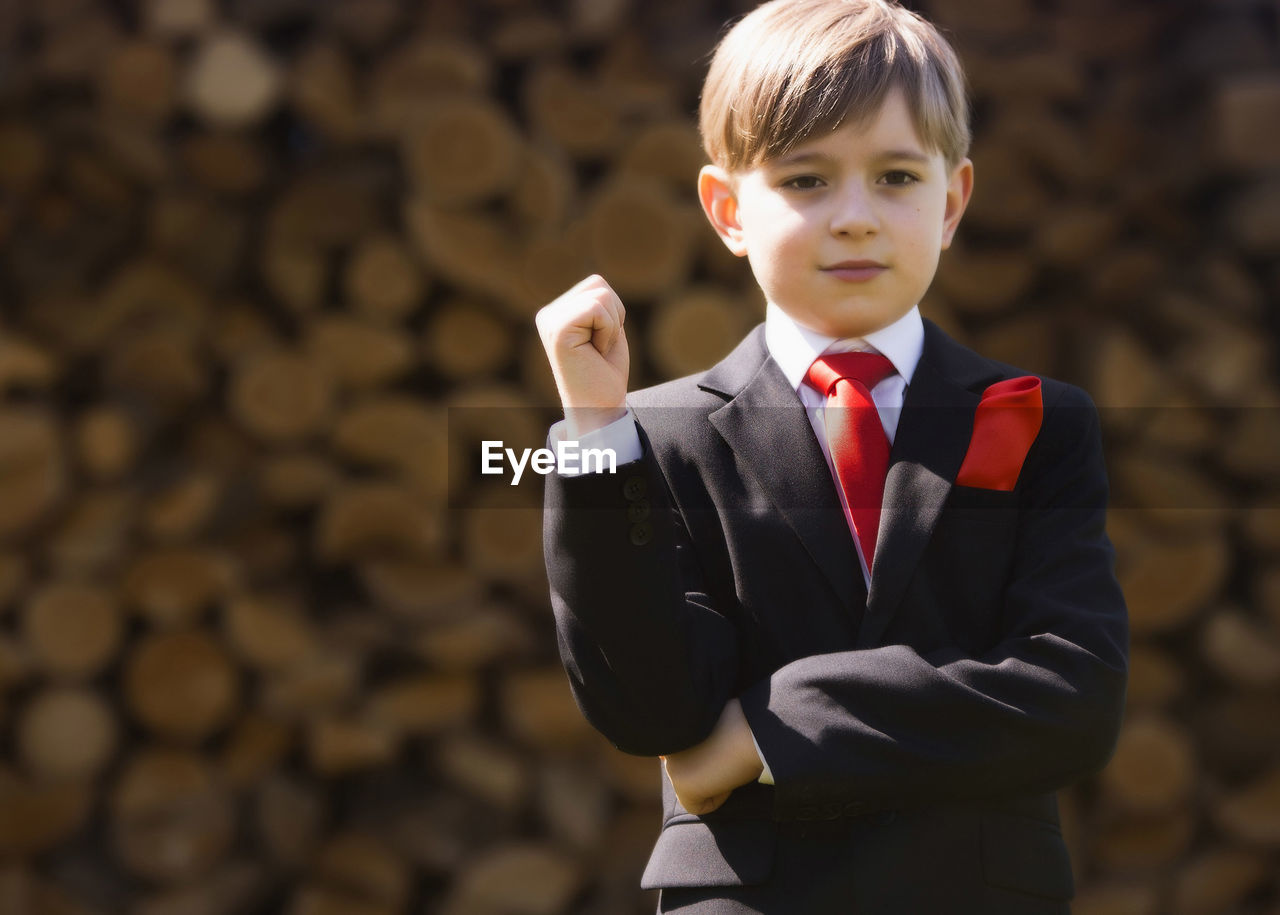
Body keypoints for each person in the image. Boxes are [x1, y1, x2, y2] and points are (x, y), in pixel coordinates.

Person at [535, 0, 1128, 911]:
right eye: (806, 181)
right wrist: (595, 435)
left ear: (954, 201)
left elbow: (1070, 691)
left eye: (895, 176)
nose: (855, 216)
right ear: (728, 210)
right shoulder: (650, 437)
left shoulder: (1043, 421)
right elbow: (652, 710)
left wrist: (769, 731)